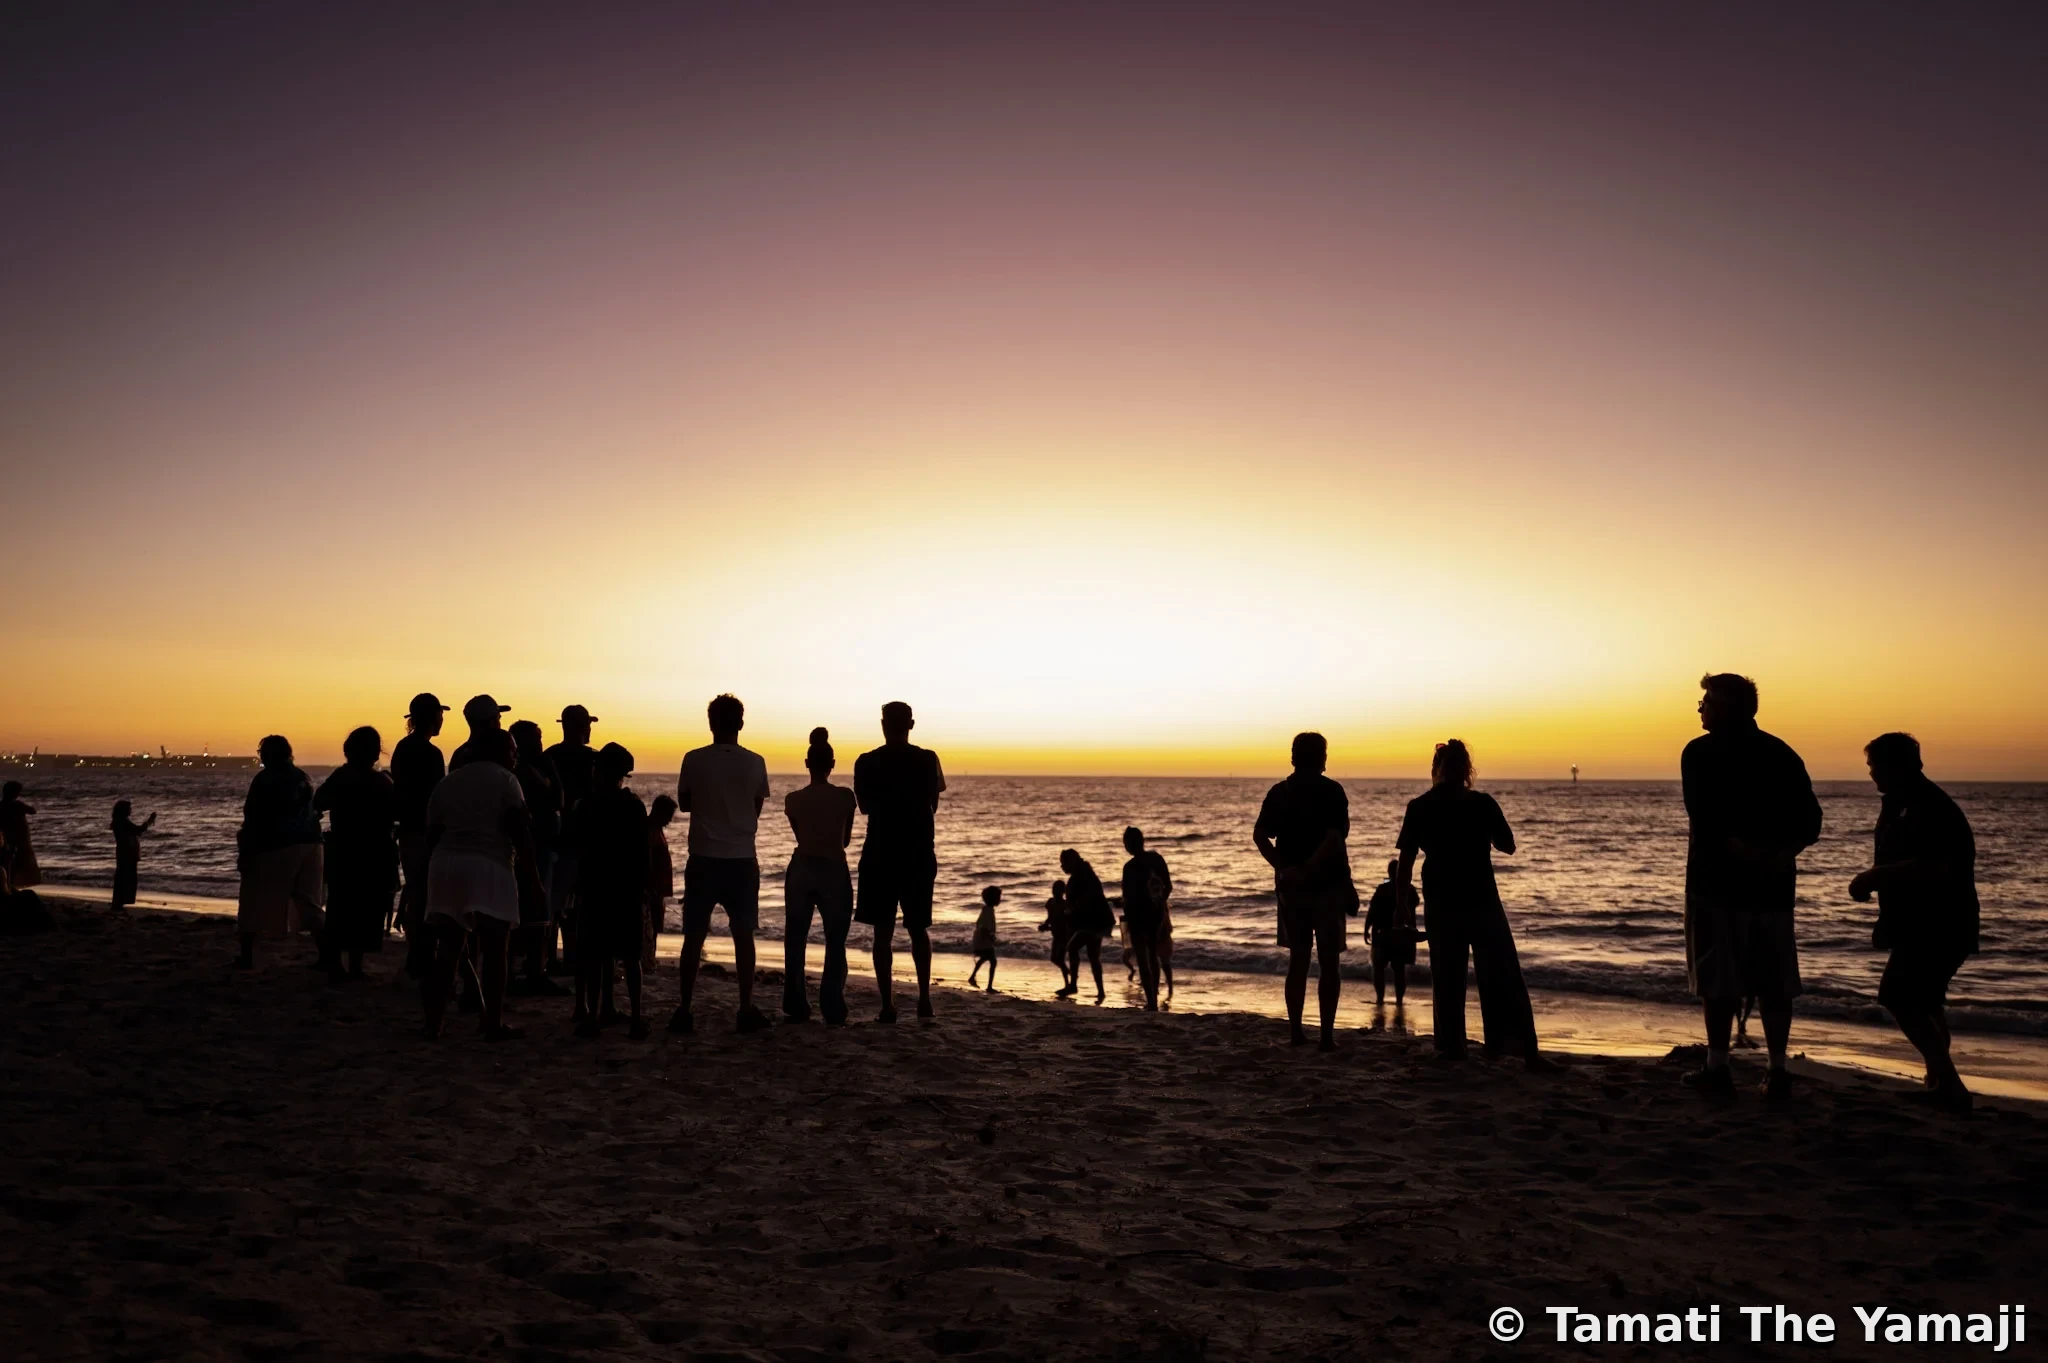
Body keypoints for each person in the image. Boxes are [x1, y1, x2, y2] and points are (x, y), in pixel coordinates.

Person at [1681, 673, 1822, 1101]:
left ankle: (1719, 1066)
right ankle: (1775, 1069)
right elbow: (1810, 821)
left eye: (1706, 701)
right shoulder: (1781, 753)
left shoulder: (1699, 753)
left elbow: (1705, 817)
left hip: (1716, 887)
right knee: (1773, 982)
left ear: (1726, 708)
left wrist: (1746, 852)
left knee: (1719, 982)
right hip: (1771, 888)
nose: (1699, 708)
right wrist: (1779, 854)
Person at [1396, 741, 1549, 1069]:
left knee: (1447, 974)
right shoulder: (1481, 803)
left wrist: (1401, 906)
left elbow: (1405, 862)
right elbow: (1508, 845)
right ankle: (1515, 1047)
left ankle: (1452, 1047)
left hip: (1441, 897)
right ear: (1467, 770)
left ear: (1436, 769)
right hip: (1481, 896)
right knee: (1501, 972)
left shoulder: (1420, 806)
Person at [1849, 732, 1980, 1113]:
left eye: (1875, 766)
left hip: (1940, 923)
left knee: (1898, 997)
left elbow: (1939, 865)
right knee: (1927, 1003)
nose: (1871, 774)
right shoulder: (1902, 803)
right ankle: (1937, 1081)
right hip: (1922, 922)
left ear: (1897, 765)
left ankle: (1950, 1084)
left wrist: (1876, 876)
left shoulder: (1928, 805)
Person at [420, 729, 543, 1040]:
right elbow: (519, 829)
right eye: (512, 750)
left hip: (446, 863)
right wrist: (532, 878)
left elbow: (432, 832)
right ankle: (492, 1021)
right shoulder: (506, 781)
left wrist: (422, 879)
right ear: (498, 751)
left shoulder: (448, 782)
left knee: (448, 948)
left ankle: (434, 1024)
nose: (516, 756)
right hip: (489, 864)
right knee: (495, 947)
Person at [670, 693, 772, 1034]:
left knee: (693, 936)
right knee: (743, 936)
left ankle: (684, 1008)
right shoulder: (755, 762)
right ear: (741, 723)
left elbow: (684, 803)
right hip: (741, 858)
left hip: (703, 856)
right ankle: (745, 1006)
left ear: (711, 722)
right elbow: (756, 806)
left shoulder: (693, 759)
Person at [1254, 732, 1352, 1050]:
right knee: (1328, 963)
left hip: (1292, 889)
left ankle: (1296, 1032)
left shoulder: (1279, 793)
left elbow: (1260, 837)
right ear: (1321, 757)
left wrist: (1284, 868)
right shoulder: (1332, 792)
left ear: (1294, 757)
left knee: (1299, 959)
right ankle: (1325, 1036)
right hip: (1326, 886)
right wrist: (1310, 869)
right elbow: (1335, 840)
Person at [854, 701, 946, 1022]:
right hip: (918, 852)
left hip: (880, 852)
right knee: (919, 929)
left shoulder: (866, 762)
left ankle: (887, 1005)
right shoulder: (928, 759)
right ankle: (923, 1000)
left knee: (883, 932)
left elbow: (864, 807)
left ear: (883, 724)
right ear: (911, 724)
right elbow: (933, 803)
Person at [573, 742, 651, 1040]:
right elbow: (643, 855)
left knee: (596, 954)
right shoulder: (632, 806)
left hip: (595, 887)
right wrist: (644, 888)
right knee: (630, 956)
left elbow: (576, 846)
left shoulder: (586, 805)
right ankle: (636, 1017)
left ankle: (594, 1015)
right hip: (626, 888)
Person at [782, 727, 858, 1024]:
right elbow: (846, 840)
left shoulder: (793, 799)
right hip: (832, 868)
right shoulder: (845, 797)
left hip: (802, 866)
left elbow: (800, 835)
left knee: (795, 937)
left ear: (807, 764)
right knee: (835, 939)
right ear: (832, 765)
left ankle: (796, 1002)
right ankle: (832, 1004)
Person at [312, 726, 397, 980]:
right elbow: (395, 812)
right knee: (367, 909)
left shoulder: (340, 777)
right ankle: (356, 966)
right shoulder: (382, 781)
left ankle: (335, 961)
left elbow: (319, 802)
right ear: (374, 753)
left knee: (340, 905)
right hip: (373, 851)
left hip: (344, 850)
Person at [234, 736, 322, 969]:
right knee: (309, 902)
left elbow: (253, 817)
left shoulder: (265, 779)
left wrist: (246, 852)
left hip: (277, 845)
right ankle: (327, 957)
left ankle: (246, 957)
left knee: (252, 898)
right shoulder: (303, 778)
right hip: (311, 843)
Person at [508, 720, 567, 995]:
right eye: (537, 738)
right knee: (535, 909)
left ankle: (529, 969)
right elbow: (558, 798)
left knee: (532, 910)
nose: (542, 743)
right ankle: (533, 970)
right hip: (534, 847)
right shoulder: (525, 770)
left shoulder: (526, 769)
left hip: (539, 846)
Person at [390, 693, 449, 959]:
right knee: (426, 890)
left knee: (416, 887)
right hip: (426, 831)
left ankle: (415, 950)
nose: (442, 721)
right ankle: (421, 951)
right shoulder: (432, 753)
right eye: (440, 715)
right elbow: (438, 797)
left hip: (408, 829)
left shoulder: (403, 748)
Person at [545, 703, 599, 977]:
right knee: (578, 904)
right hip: (582, 841)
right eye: (587, 725)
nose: (590, 730)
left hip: (555, 838)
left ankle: (551, 958)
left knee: (555, 904)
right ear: (581, 727)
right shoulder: (593, 760)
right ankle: (571, 957)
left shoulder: (549, 757)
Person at [1119, 827, 1172, 1010]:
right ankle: (1153, 999)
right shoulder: (1156, 859)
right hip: (1155, 914)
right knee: (1152, 955)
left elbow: (1127, 897)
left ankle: (1151, 1001)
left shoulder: (1130, 867)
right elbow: (1168, 887)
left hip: (1136, 916)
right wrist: (1159, 905)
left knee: (1143, 958)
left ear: (1129, 844)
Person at [1059, 849, 1114, 1003]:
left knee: (1074, 948)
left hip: (1094, 921)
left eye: (1064, 863)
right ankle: (1100, 991)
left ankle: (1074, 985)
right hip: (1097, 921)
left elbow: (1087, 900)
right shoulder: (1084, 873)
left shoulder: (1082, 876)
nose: (1062, 866)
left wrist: (1072, 910)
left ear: (1072, 861)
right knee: (1093, 956)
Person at [1365, 858, 1419, 1006]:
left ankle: (1380, 998)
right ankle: (1399, 1001)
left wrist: (1366, 928)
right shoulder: (1410, 890)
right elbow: (1414, 909)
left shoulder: (1382, 889)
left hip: (1384, 934)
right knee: (1399, 969)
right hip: (1400, 935)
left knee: (1379, 969)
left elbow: (1372, 911)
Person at [646, 794, 676, 974]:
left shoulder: (657, 830)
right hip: (653, 888)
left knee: (655, 925)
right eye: (668, 816)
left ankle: (650, 958)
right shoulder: (649, 831)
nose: (670, 821)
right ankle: (648, 959)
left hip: (659, 888)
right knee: (651, 925)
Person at [111, 799, 157, 908]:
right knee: (126, 877)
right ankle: (118, 903)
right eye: (129, 809)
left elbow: (136, 831)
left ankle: (118, 902)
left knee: (123, 877)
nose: (130, 810)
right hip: (127, 853)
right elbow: (139, 830)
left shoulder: (119, 821)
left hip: (124, 852)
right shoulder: (122, 821)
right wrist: (150, 820)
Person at [0, 782, 41, 892]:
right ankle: (10, 886)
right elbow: (33, 811)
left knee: (9, 863)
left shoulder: (2, 805)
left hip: (6, 838)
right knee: (19, 862)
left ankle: (9, 885)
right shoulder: (17, 805)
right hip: (19, 839)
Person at [1039, 880, 1074, 994]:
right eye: (1054, 890)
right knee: (1054, 959)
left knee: (1059, 959)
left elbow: (1067, 921)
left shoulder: (1065, 905)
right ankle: (1070, 974)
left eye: (1058, 891)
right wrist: (1045, 925)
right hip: (1056, 935)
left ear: (1063, 892)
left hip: (1064, 935)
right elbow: (1050, 918)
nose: (1055, 893)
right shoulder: (1050, 903)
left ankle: (1068, 984)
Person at [967, 885, 1001, 991]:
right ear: (994, 899)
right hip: (984, 940)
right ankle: (989, 986)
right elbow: (984, 928)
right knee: (993, 961)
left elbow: (980, 925)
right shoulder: (988, 911)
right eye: (998, 897)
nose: (1000, 899)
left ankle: (972, 977)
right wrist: (990, 937)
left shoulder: (987, 910)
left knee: (985, 958)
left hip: (981, 940)